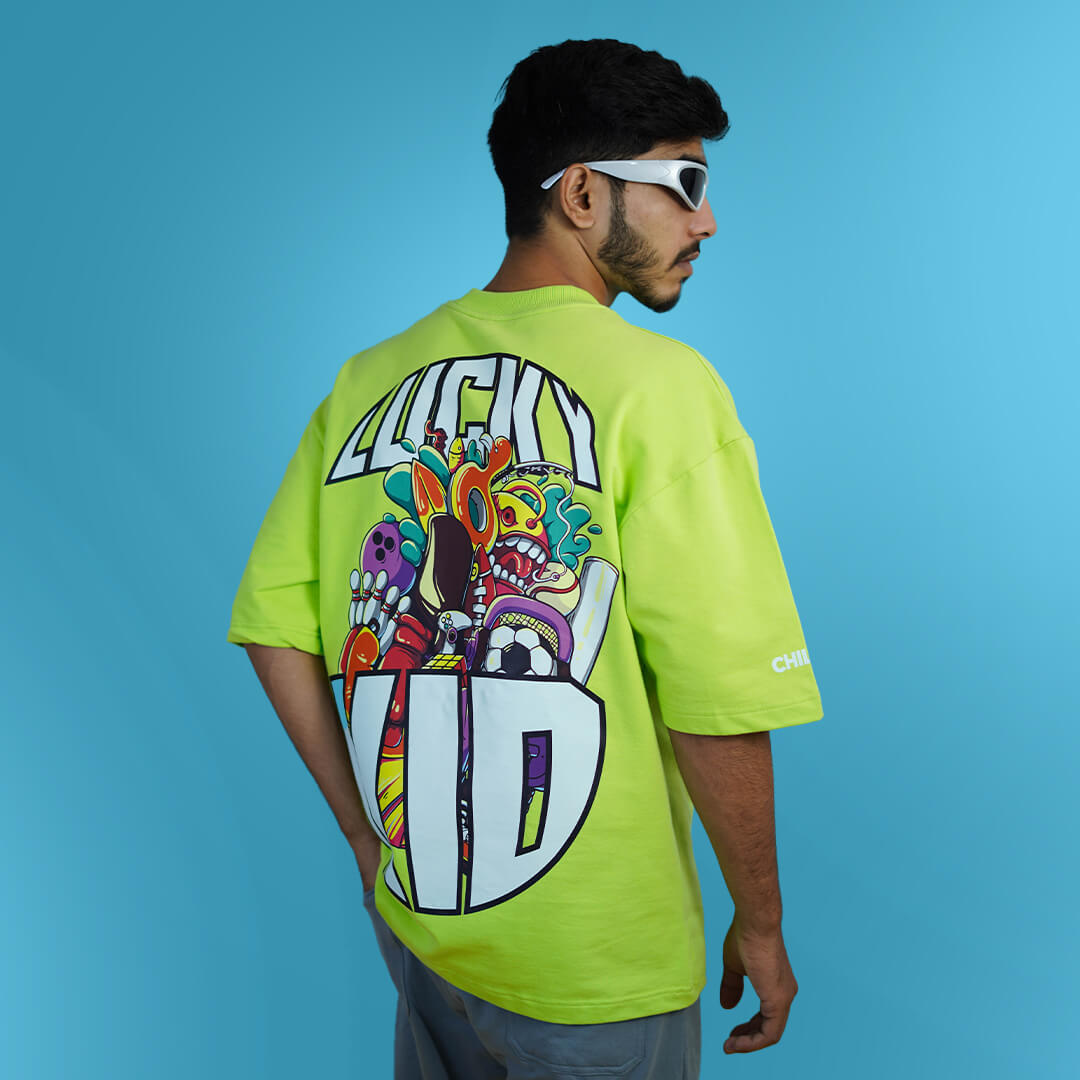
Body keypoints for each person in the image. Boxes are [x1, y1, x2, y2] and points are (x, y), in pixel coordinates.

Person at [228, 38, 823, 1080]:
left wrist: (370, 843)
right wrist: (761, 921)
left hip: (426, 928)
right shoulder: (660, 388)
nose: (707, 221)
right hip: (597, 960)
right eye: (685, 185)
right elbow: (718, 695)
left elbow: (276, 625)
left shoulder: (367, 381)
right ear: (583, 195)